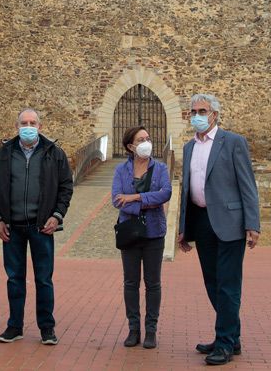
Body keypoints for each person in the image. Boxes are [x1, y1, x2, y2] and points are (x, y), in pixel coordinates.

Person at [176, 93, 261, 366]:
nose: (197, 116)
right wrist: (182, 228)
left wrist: (253, 223)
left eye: (202, 110)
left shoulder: (233, 142)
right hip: (201, 222)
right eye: (193, 111)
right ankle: (231, 336)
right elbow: (187, 190)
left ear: (215, 114)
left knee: (228, 284)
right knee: (212, 283)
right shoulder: (189, 147)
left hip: (229, 224)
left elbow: (247, 184)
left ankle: (224, 342)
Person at [0, 108, 73, 346]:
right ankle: (15, 326)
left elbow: (66, 187)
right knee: (14, 278)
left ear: (40, 127)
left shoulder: (53, 153)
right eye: (24, 122)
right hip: (11, 228)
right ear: (17, 126)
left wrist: (57, 216)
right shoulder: (4, 153)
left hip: (41, 226)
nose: (28, 126)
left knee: (44, 279)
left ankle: (47, 328)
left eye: (33, 123)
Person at [111, 125, 172, 349]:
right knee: (130, 282)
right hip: (129, 232)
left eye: (147, 138)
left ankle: (151, 329)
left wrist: (134, 197)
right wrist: (146, 202)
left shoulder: (161, 168)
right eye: (141, 139)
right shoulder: (120, 170)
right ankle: (133, 329)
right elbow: (117, 199)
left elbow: (165, 193)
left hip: (154, 232)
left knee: (153, 282)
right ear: (130, 146)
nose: (146, 142)